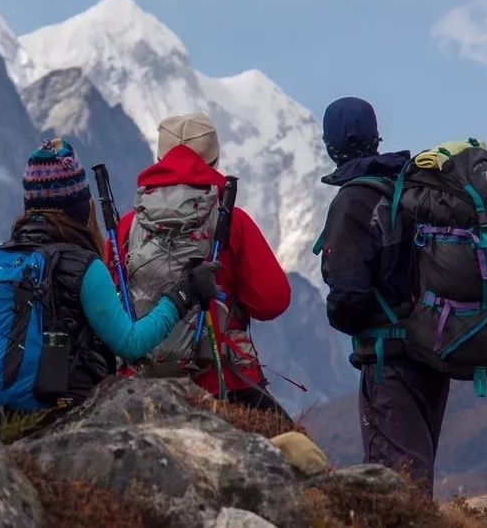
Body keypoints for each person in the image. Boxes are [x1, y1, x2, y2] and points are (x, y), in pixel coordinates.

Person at [0, 138, 216, 415]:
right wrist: (181, 296)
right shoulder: (83, 265)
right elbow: (130, 343)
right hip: (57, 409)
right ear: (79, 204)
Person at [106, 113, 292, 414]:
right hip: (221, 378)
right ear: (215, 160)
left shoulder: (127, 226)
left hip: (137, 381)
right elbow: (273, 300)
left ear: (158, 158)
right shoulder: (232, 219)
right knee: (295, 451)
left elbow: (110, 304)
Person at [317, 96, 449, 494]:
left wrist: (338, 315)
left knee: (395, 483)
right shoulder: (409, 187)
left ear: (329, 145)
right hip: (433, 353)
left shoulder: (354, 200)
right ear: (377, 138)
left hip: (388, 361)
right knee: (416, 469)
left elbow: (349, 293)